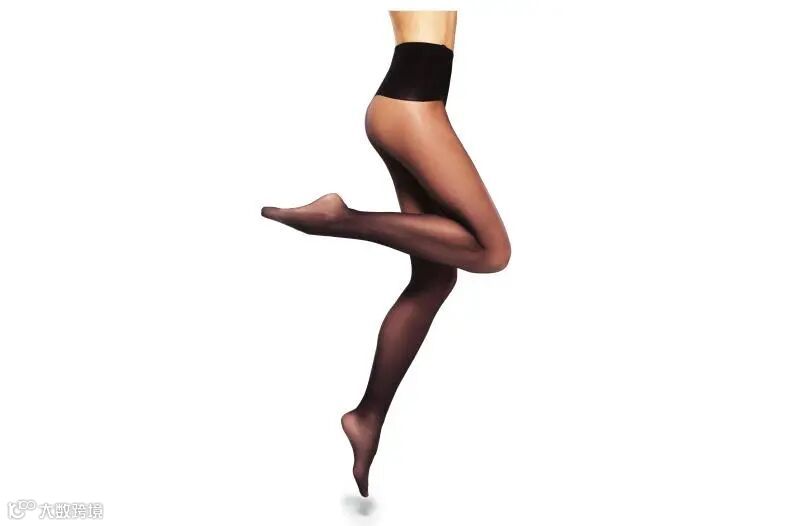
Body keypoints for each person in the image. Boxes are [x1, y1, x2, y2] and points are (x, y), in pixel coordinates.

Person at [261, 10, 511, 497]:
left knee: (435, 279)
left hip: (411, 106)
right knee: (492, 251)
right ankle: (340, 219)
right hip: (412, 112)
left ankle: (367, 417)